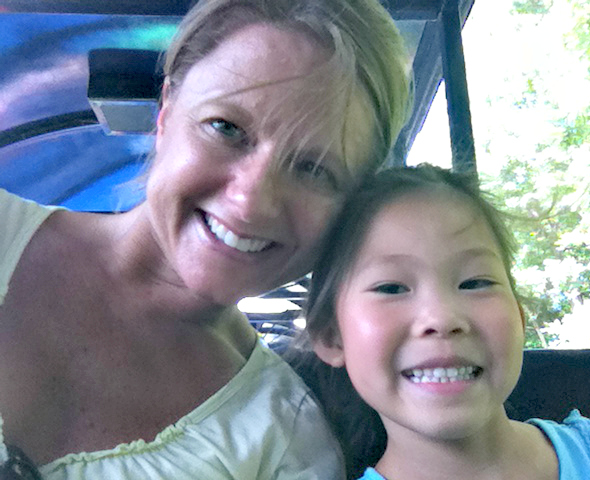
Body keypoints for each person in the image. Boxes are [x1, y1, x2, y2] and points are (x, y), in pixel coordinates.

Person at [0, 0, 412, 478]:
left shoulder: (288, 443)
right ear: (165, 112)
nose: (250, 203)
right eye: (226, 128)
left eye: (313, 168)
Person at [300, 164, 590, 479]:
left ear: (519, 318)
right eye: (391, 288)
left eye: (475, 283)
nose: (442, 318)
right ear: (331, 336)